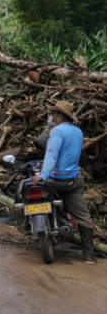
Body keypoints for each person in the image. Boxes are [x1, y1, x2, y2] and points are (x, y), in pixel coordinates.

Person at [32, 101, 96, 264]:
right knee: (83, 215)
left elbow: (52, 154)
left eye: (53, 114)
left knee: (30, 189)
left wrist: (43, 175)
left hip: (56, 180)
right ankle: (89, 255)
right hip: (73, 180)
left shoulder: (57, 130)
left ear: (60, 116)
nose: (52, 116)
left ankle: (28, 224)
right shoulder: (78, 131)